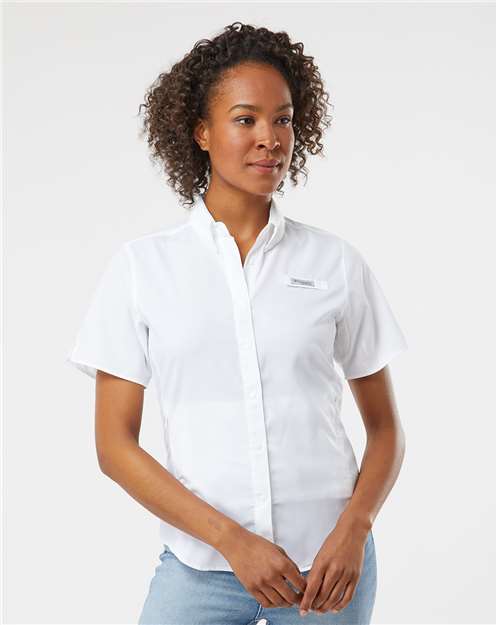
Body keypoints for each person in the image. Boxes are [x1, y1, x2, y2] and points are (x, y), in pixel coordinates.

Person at [66, 21, 408, 625]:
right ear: (201, 131)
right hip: (200, 566)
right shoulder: (143, 269)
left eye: (283, 119)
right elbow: (114, 446)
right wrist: (231, 540)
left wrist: (355, 530)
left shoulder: (335, 262)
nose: (270, 138)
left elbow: (384, 429)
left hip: (327, 570)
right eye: (245, 119)